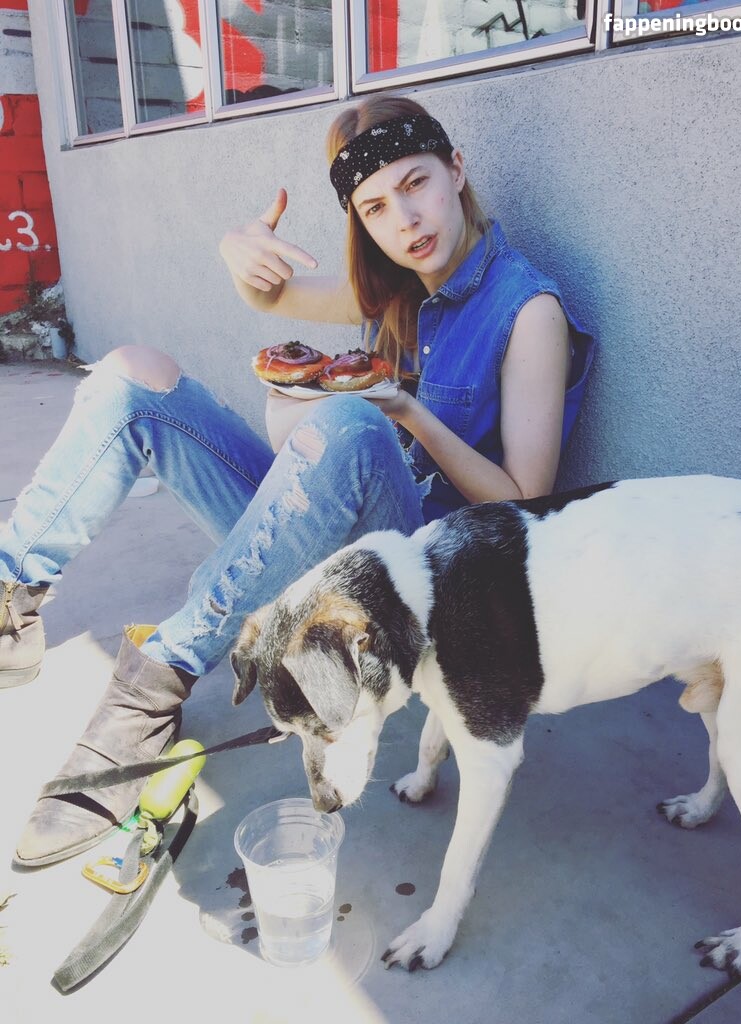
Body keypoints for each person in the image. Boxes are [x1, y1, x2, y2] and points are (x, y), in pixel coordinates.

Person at [1, 95, 594, 867]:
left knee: (350, 423)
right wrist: (237, 251)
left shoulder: (527, 309)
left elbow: (522, 503)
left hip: (424, 584)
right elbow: (269, 295)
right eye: (375, 207)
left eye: (416, 183)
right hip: (334, 538)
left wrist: (406, 413)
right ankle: (14, 594)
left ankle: (157, 683)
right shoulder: (397, 285)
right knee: (132, 377)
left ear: (456, 169)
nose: (405, 220)